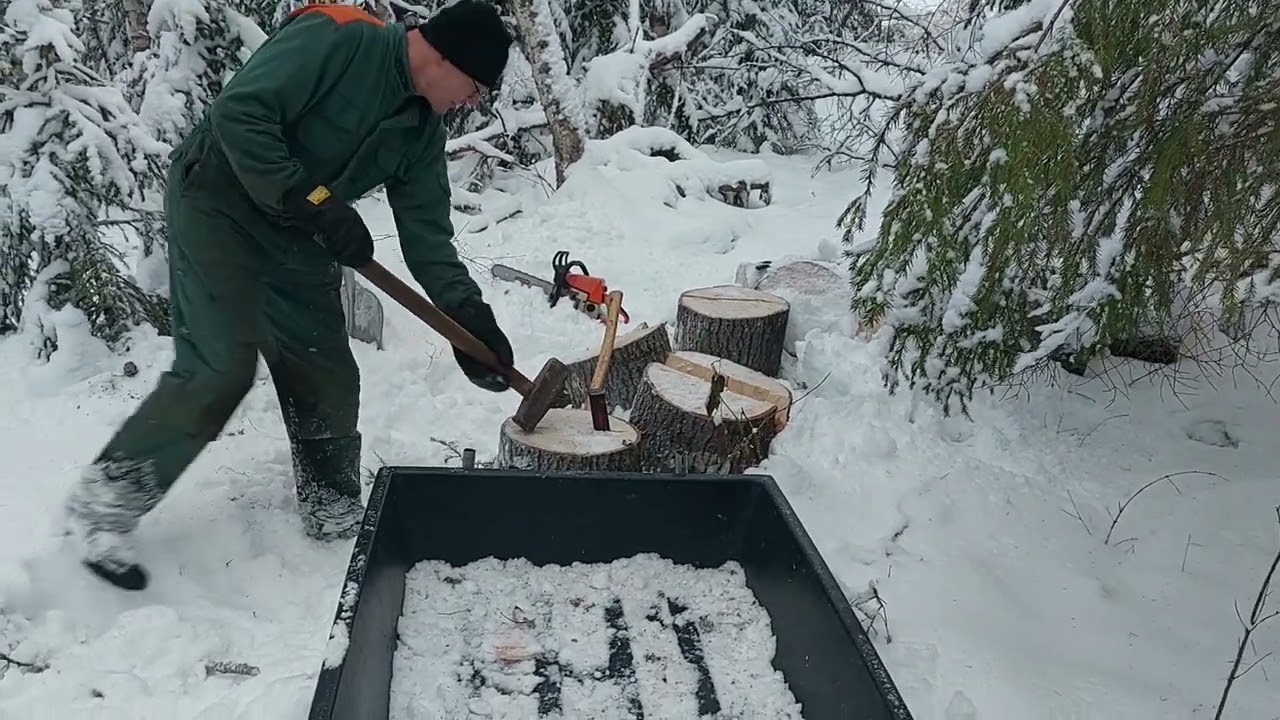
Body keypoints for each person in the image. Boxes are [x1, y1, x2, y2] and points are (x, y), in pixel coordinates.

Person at [61, 0, 517, 591]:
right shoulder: (340, 36)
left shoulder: (421, 131)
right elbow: (240, 113)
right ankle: (106, 501)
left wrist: (468, 315)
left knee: (326, 373)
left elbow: (428, 239)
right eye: (476, 87)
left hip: (299, 239)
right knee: (220, 366)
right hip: (219, 205)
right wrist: (318, 202)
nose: (473, 102)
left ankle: (331, 503)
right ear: (446, 55)